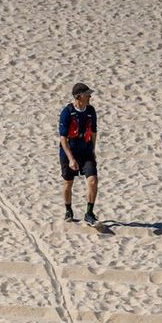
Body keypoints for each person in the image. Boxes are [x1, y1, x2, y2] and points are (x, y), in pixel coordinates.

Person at [58, 82, 98, 224]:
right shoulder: (67, 112)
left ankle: (89, 213)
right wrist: (71, 159)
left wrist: (93, 150)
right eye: (87, 94)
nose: (90, 96)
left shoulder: (91, 111)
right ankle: (68, 210)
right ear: (79, 96)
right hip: (70, 150)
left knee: (93, 180)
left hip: (86, 150)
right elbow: (63, 139)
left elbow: (93, 132)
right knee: (68, 183)